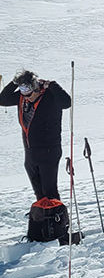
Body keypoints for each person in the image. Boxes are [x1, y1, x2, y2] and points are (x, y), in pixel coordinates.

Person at [0, 70, 71, 201]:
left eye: (29, 94)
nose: (27, 98)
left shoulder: (50, 96)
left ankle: (55, 217)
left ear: (36, 88)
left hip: (49, 151)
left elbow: (66, 103)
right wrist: (15, 82)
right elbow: (2, 99)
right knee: (38, 191)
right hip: (30, 151)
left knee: (50, 191)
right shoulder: (22, 97)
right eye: (24, 94)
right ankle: (41, 213)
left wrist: (52, 85)